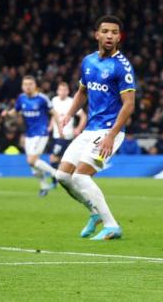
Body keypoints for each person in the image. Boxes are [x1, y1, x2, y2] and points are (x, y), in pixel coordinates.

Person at [55, 15, 136, 240]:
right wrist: (69, 114)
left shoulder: (122, 66)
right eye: (105, 31)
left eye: (114, 32)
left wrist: (111, 136)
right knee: (62, 175)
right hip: (91, 129)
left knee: (81, 177)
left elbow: (129, 105)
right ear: (97, 34)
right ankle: (94, 212)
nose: (109, 35)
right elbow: (82, 91)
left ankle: (112, 226)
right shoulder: (88, 61)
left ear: (119, 37)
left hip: (110, 131)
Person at [1, 75, 58, 196]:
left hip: (41, 133)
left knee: (31, 160)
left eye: (30, 84)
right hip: (29, 134)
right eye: (25, 84)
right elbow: (15, 112)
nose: (27, 87)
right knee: (33, 164)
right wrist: (7, 113)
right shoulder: (21, 98)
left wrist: (60, 129)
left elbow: (54, 113)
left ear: (35, 85)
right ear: (22, 86)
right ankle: (44, 186)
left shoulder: (42, 99)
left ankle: (56, 174)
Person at [49, 82, 87, 169]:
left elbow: (83, 116)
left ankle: (56, 179)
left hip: (65, 135)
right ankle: (62, 177)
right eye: (61, 90)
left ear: (68, 91)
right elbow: (54, 115)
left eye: (64, 90)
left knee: (53, 158)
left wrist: (78, 129)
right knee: (60, 159)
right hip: (55, 134)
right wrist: (50, 126)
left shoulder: (72, 102)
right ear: (57, 91)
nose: (62, 92)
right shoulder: (54, 100)